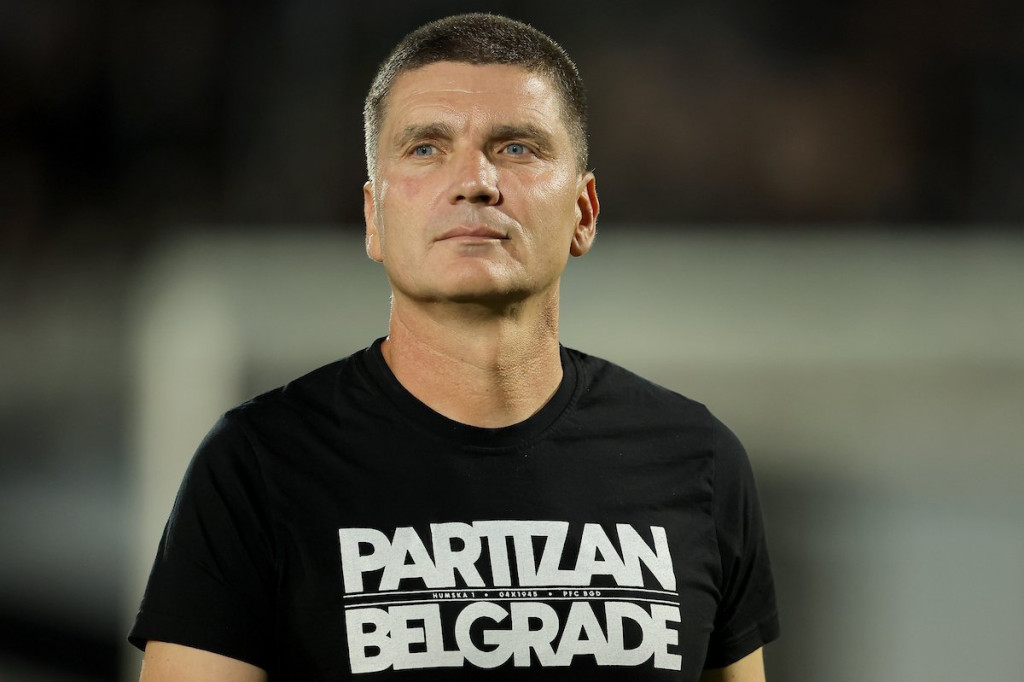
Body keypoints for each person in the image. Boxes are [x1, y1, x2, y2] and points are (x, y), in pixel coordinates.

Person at [130, 13, 779, 682]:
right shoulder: (257, 466)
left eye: (517, 147)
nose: (475, 180)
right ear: (374, 218)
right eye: (426, 149)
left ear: (584, 213)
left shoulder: (699, 461)